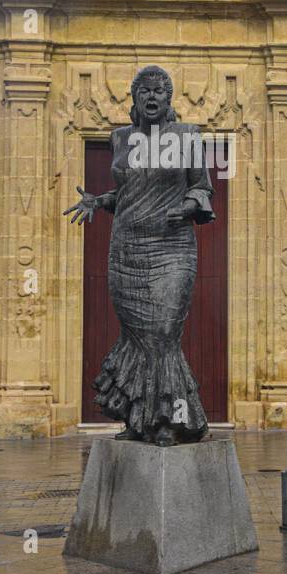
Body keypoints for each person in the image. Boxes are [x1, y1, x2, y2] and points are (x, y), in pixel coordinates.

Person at [64, 65, 214, 447]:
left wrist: (189, 206)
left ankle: (173, 418)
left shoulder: (187, 137)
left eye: (158, 91)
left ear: (169, 98)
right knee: (135, 336)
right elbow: (126, 194)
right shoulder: (120, 139)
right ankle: (139, 416)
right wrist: (100, 200)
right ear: (134, 98)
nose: (151, 97)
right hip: (126, 250)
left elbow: (201, 189)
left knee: (163, 333)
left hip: (171, 247)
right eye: (143, 91)